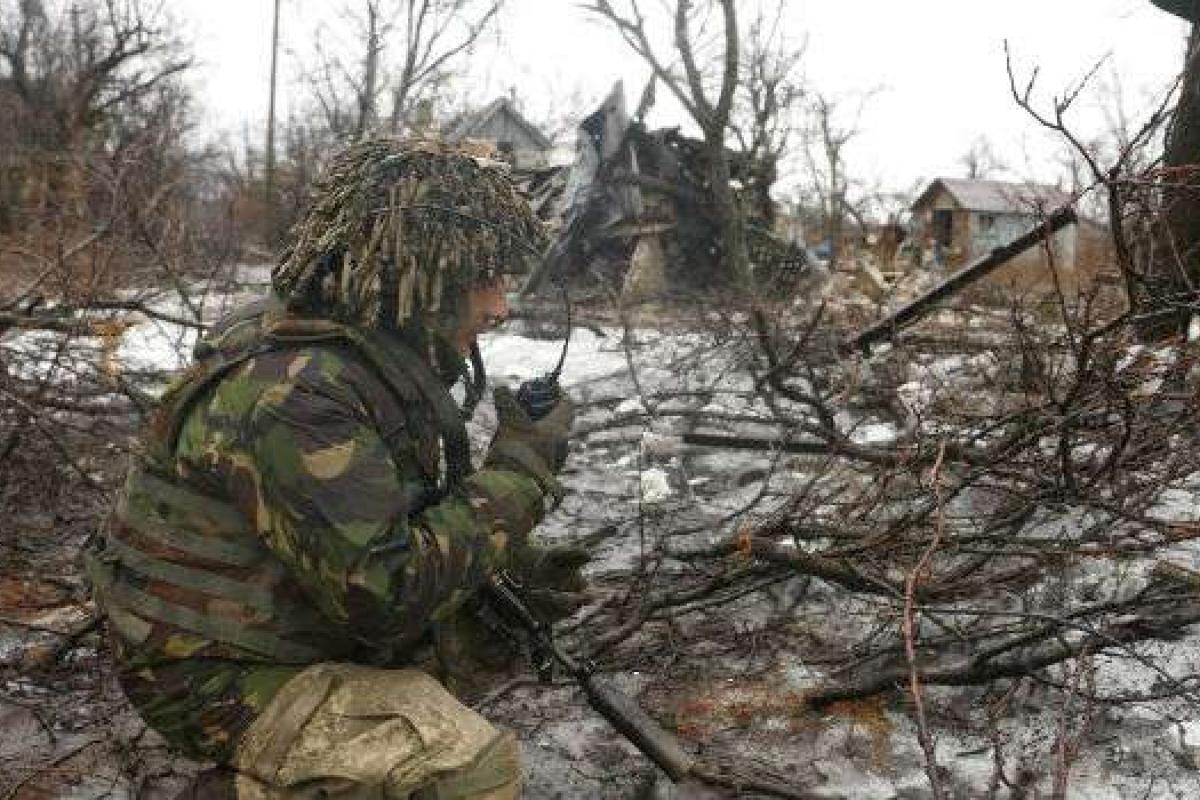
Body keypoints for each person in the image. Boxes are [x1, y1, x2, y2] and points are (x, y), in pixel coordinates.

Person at [86, 138, 588, 799]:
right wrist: (521, 471)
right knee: (464, 769)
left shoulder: (356, 349)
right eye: (483, 282)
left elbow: (384, 521)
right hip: (204, 672)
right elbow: (387, 595)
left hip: (273, 619)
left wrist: (506, 556)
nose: (500, 308)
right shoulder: (298, 393)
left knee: (487, 626)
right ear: (419, 278)